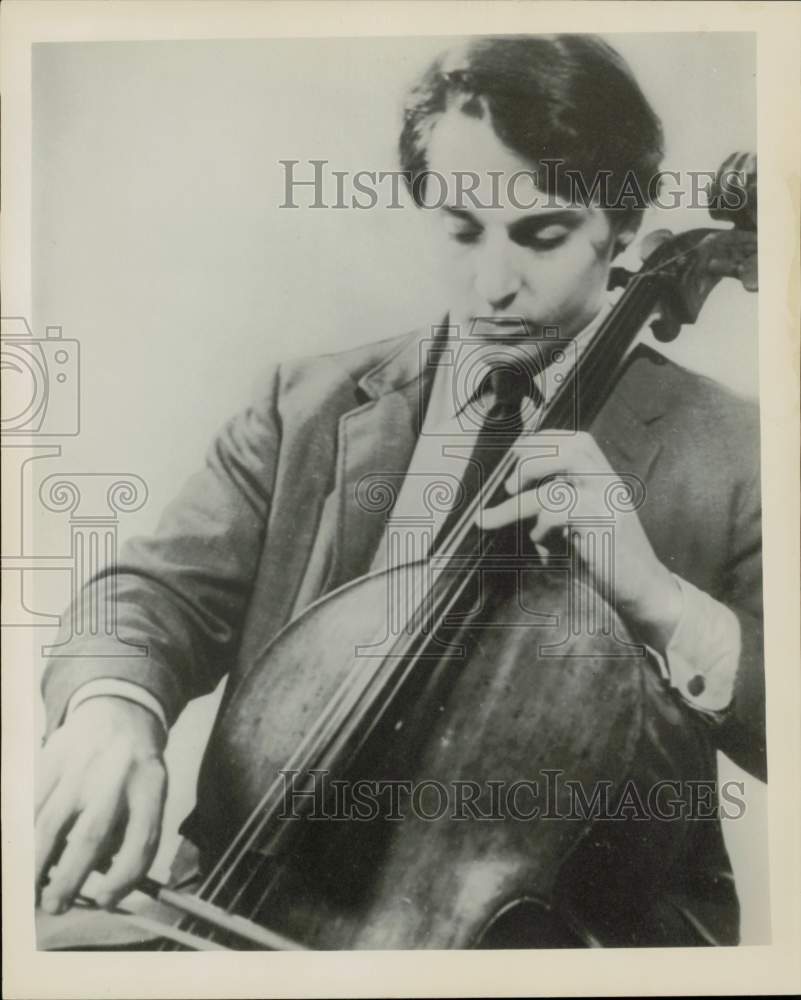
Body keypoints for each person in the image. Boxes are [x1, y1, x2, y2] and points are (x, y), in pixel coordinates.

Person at [35, 34, 763, 948]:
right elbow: (149, 595)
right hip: (236, 912)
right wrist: (111, 710)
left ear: (619, 229)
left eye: (541, 234)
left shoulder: (735, 450)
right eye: (461, 229)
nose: (492, 285)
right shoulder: (309, 406)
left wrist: (661, 603)